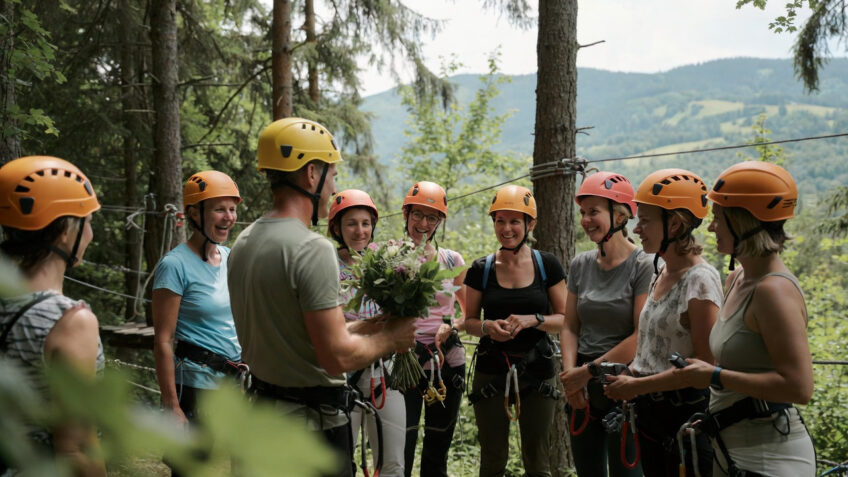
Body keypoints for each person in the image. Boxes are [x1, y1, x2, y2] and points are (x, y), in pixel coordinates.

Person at [227, 117, 416, 477]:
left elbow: (293, 332)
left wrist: (365, 326)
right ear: (311, 173)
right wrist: (391, 337)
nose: (332, 188)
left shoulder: (245, 241)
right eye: (332, 177)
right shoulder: (311, 248)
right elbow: (336, 357)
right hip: (311, 432)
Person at [675, 161, 815, 476]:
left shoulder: (773, 292)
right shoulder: (737, 279)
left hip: (771, 457)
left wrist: (713, 376)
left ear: (743, 222)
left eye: (719, 219)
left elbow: (799, 387)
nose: (711, 227)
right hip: (731, 449)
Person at [604, 169, 722, 476]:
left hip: (683, 419)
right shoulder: (663, 272)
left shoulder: (700, 281)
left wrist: (637, 385)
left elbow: (703, 369)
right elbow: (653, 349)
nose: (637, 228)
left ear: (674, 223)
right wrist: (628, 375)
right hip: (652, 416)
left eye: (645, 220)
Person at [0, 156, 106, 477]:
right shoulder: (72, 322)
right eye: (86, 221)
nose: (90, 233)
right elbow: (75, 448)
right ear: (63, 231)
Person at [463, 185, 566, 477]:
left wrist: (534, 319)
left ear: (529, 224)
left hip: (537, 368)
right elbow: (469, 320)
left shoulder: (547, 265)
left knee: (538, 461)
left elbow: (566, 318)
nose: (506, 228)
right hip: (491, 368)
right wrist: (487, 327)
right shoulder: (481, 269)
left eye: (514, 221)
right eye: (500, 221)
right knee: (493, 459)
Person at [559, 171, 652, 477]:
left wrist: (585, 374)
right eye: (583, 213)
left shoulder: (643, 266)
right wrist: (572, 377)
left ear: (621, 214)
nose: (585, 220)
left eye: (594, 212)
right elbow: (570, 325)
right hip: (583, 387)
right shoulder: (580, 264)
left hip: (621, 385)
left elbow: (640, 336)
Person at [152, 170, 242, 449]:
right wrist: (171, 405)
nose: (229, 216)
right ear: (194, 214)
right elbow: (163, 340)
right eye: (219, 209)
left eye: (232, 209)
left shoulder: (229, 258)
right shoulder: (174, 265)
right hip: (195, 387)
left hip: (235, 384)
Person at [329, 188, 406, 477]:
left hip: (383, 371)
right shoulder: (326, 264)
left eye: (365, 223)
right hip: (342, 374)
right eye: (351, 223)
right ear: (336, 228)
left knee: (393, 464)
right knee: (341, 464)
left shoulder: (387, 261)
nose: (360, 230)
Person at [400, 180, 467, 477]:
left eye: (432, 217)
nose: (423, 223)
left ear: (439, 222)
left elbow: (470, 315)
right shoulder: (390, 259)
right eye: (418, 215)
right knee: (402, 445)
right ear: (406, 215)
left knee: (437, 449)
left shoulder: (452, 260)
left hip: (447, 362)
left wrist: (450, 326)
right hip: (406, 361)